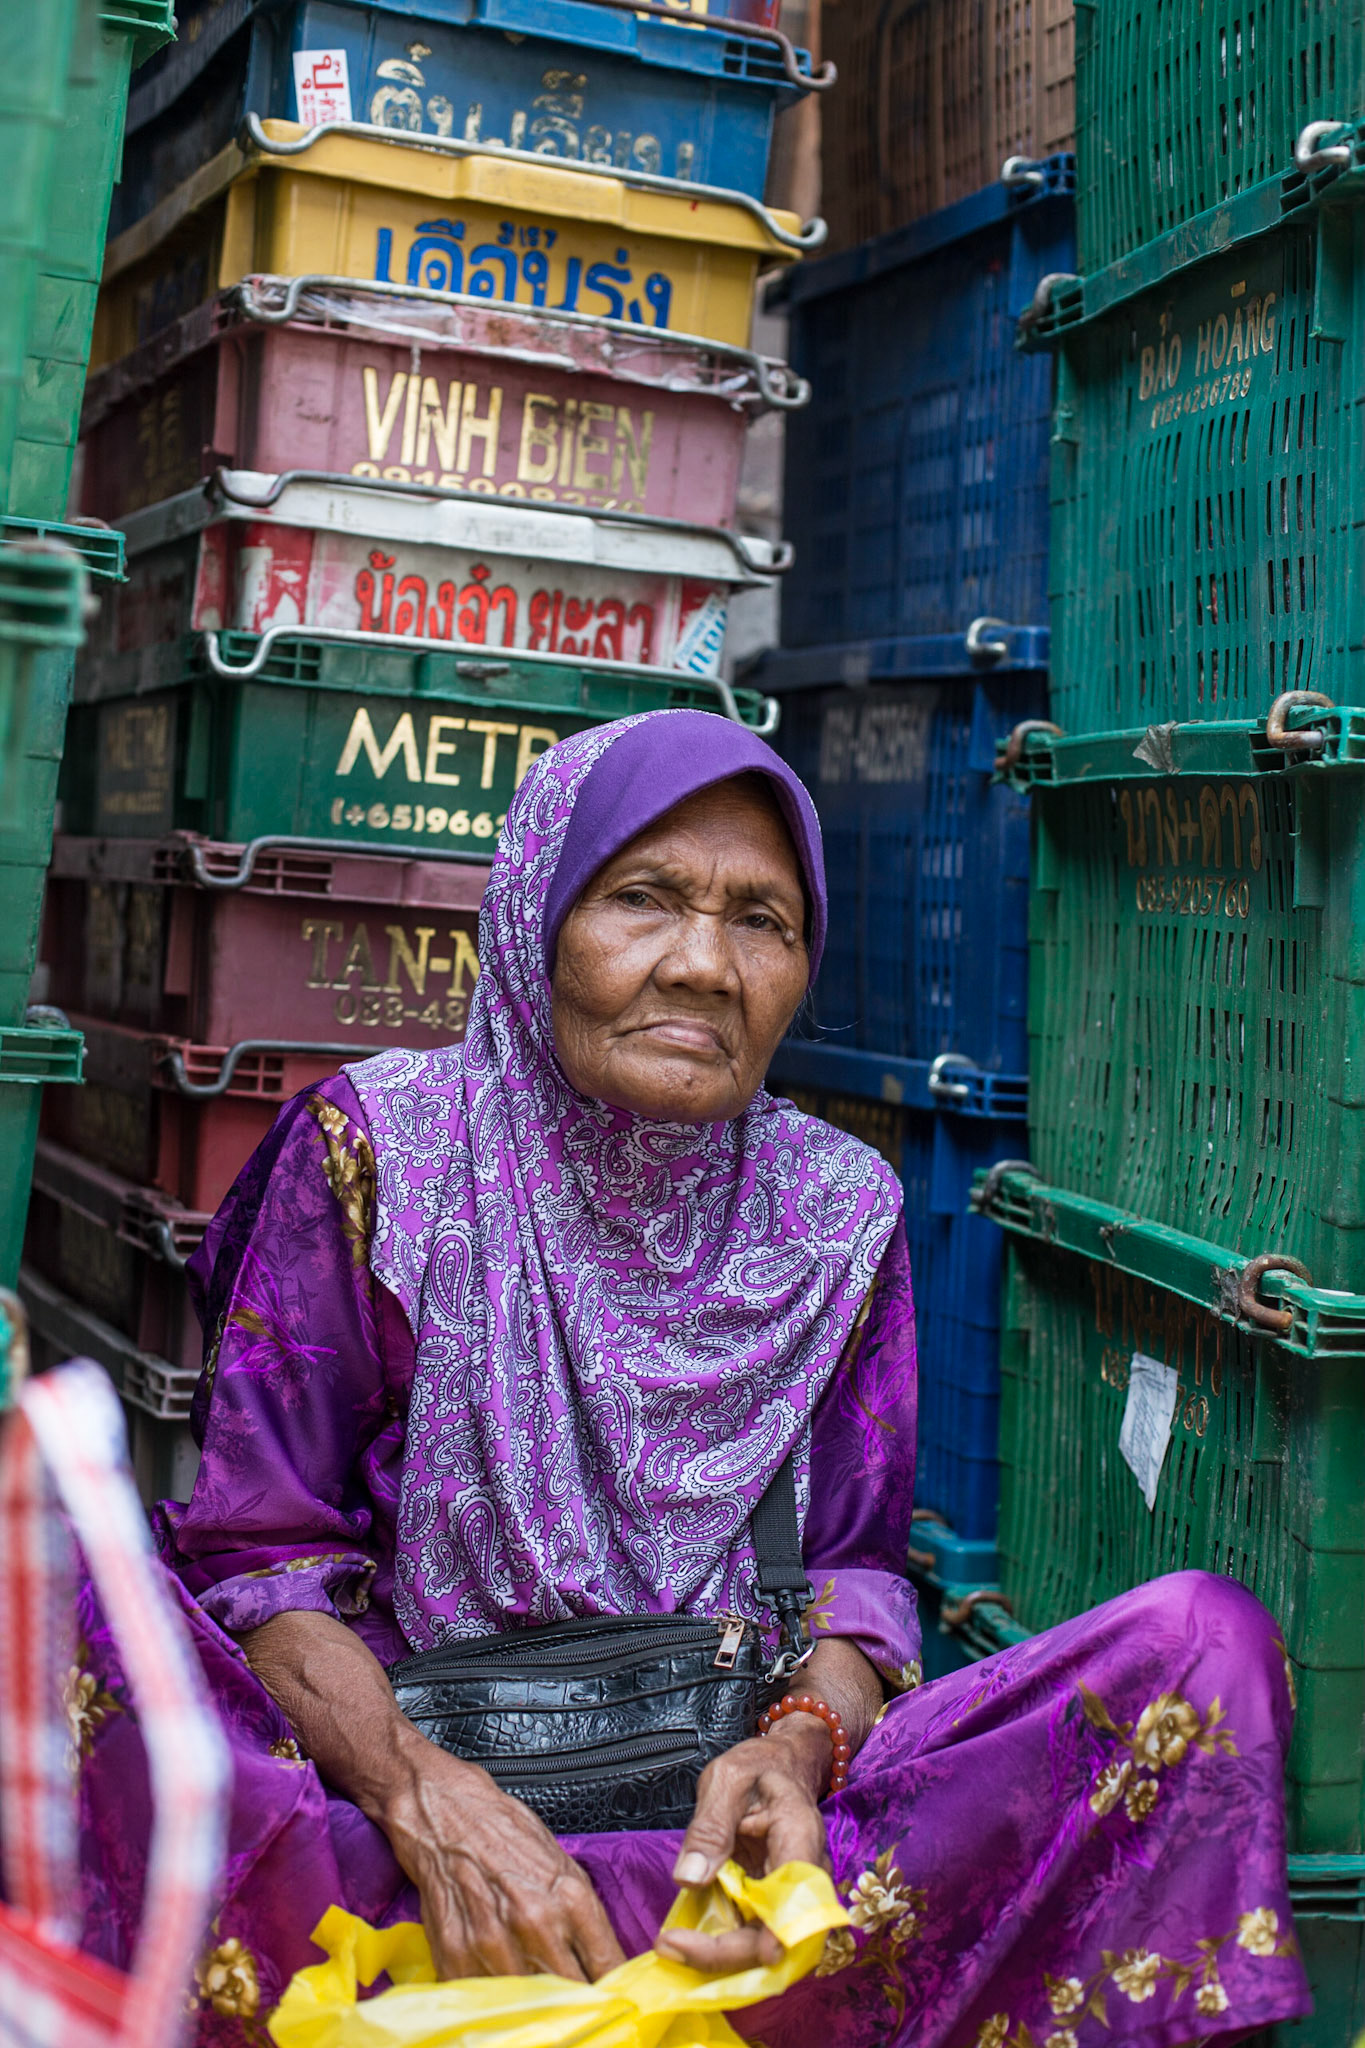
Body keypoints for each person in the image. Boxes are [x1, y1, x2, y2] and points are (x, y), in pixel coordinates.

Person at [73, 711, 1310, 2046]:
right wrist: (419, 1793)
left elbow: (852, 1579)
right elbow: (265, 1552)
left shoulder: (837, 1207)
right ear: (537, 916)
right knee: (65, 1607)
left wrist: (796, 1751)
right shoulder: (378, 1152)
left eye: (762, 921)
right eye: (643, 900)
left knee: (1198, 1644)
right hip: (398, 1821)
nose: (704, 965)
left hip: (720, 1842)